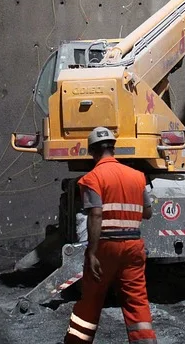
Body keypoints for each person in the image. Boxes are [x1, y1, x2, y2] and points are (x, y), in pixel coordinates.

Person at [64, 127, 156, 344]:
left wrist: (92, 252)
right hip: (134, 246)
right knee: (137, 300)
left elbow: (95, 214)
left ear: (92, 152)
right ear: (113, 149)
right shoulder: (138, 177)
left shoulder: (92, 178)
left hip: (106, 247)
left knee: (91, 300)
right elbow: (148, 212)